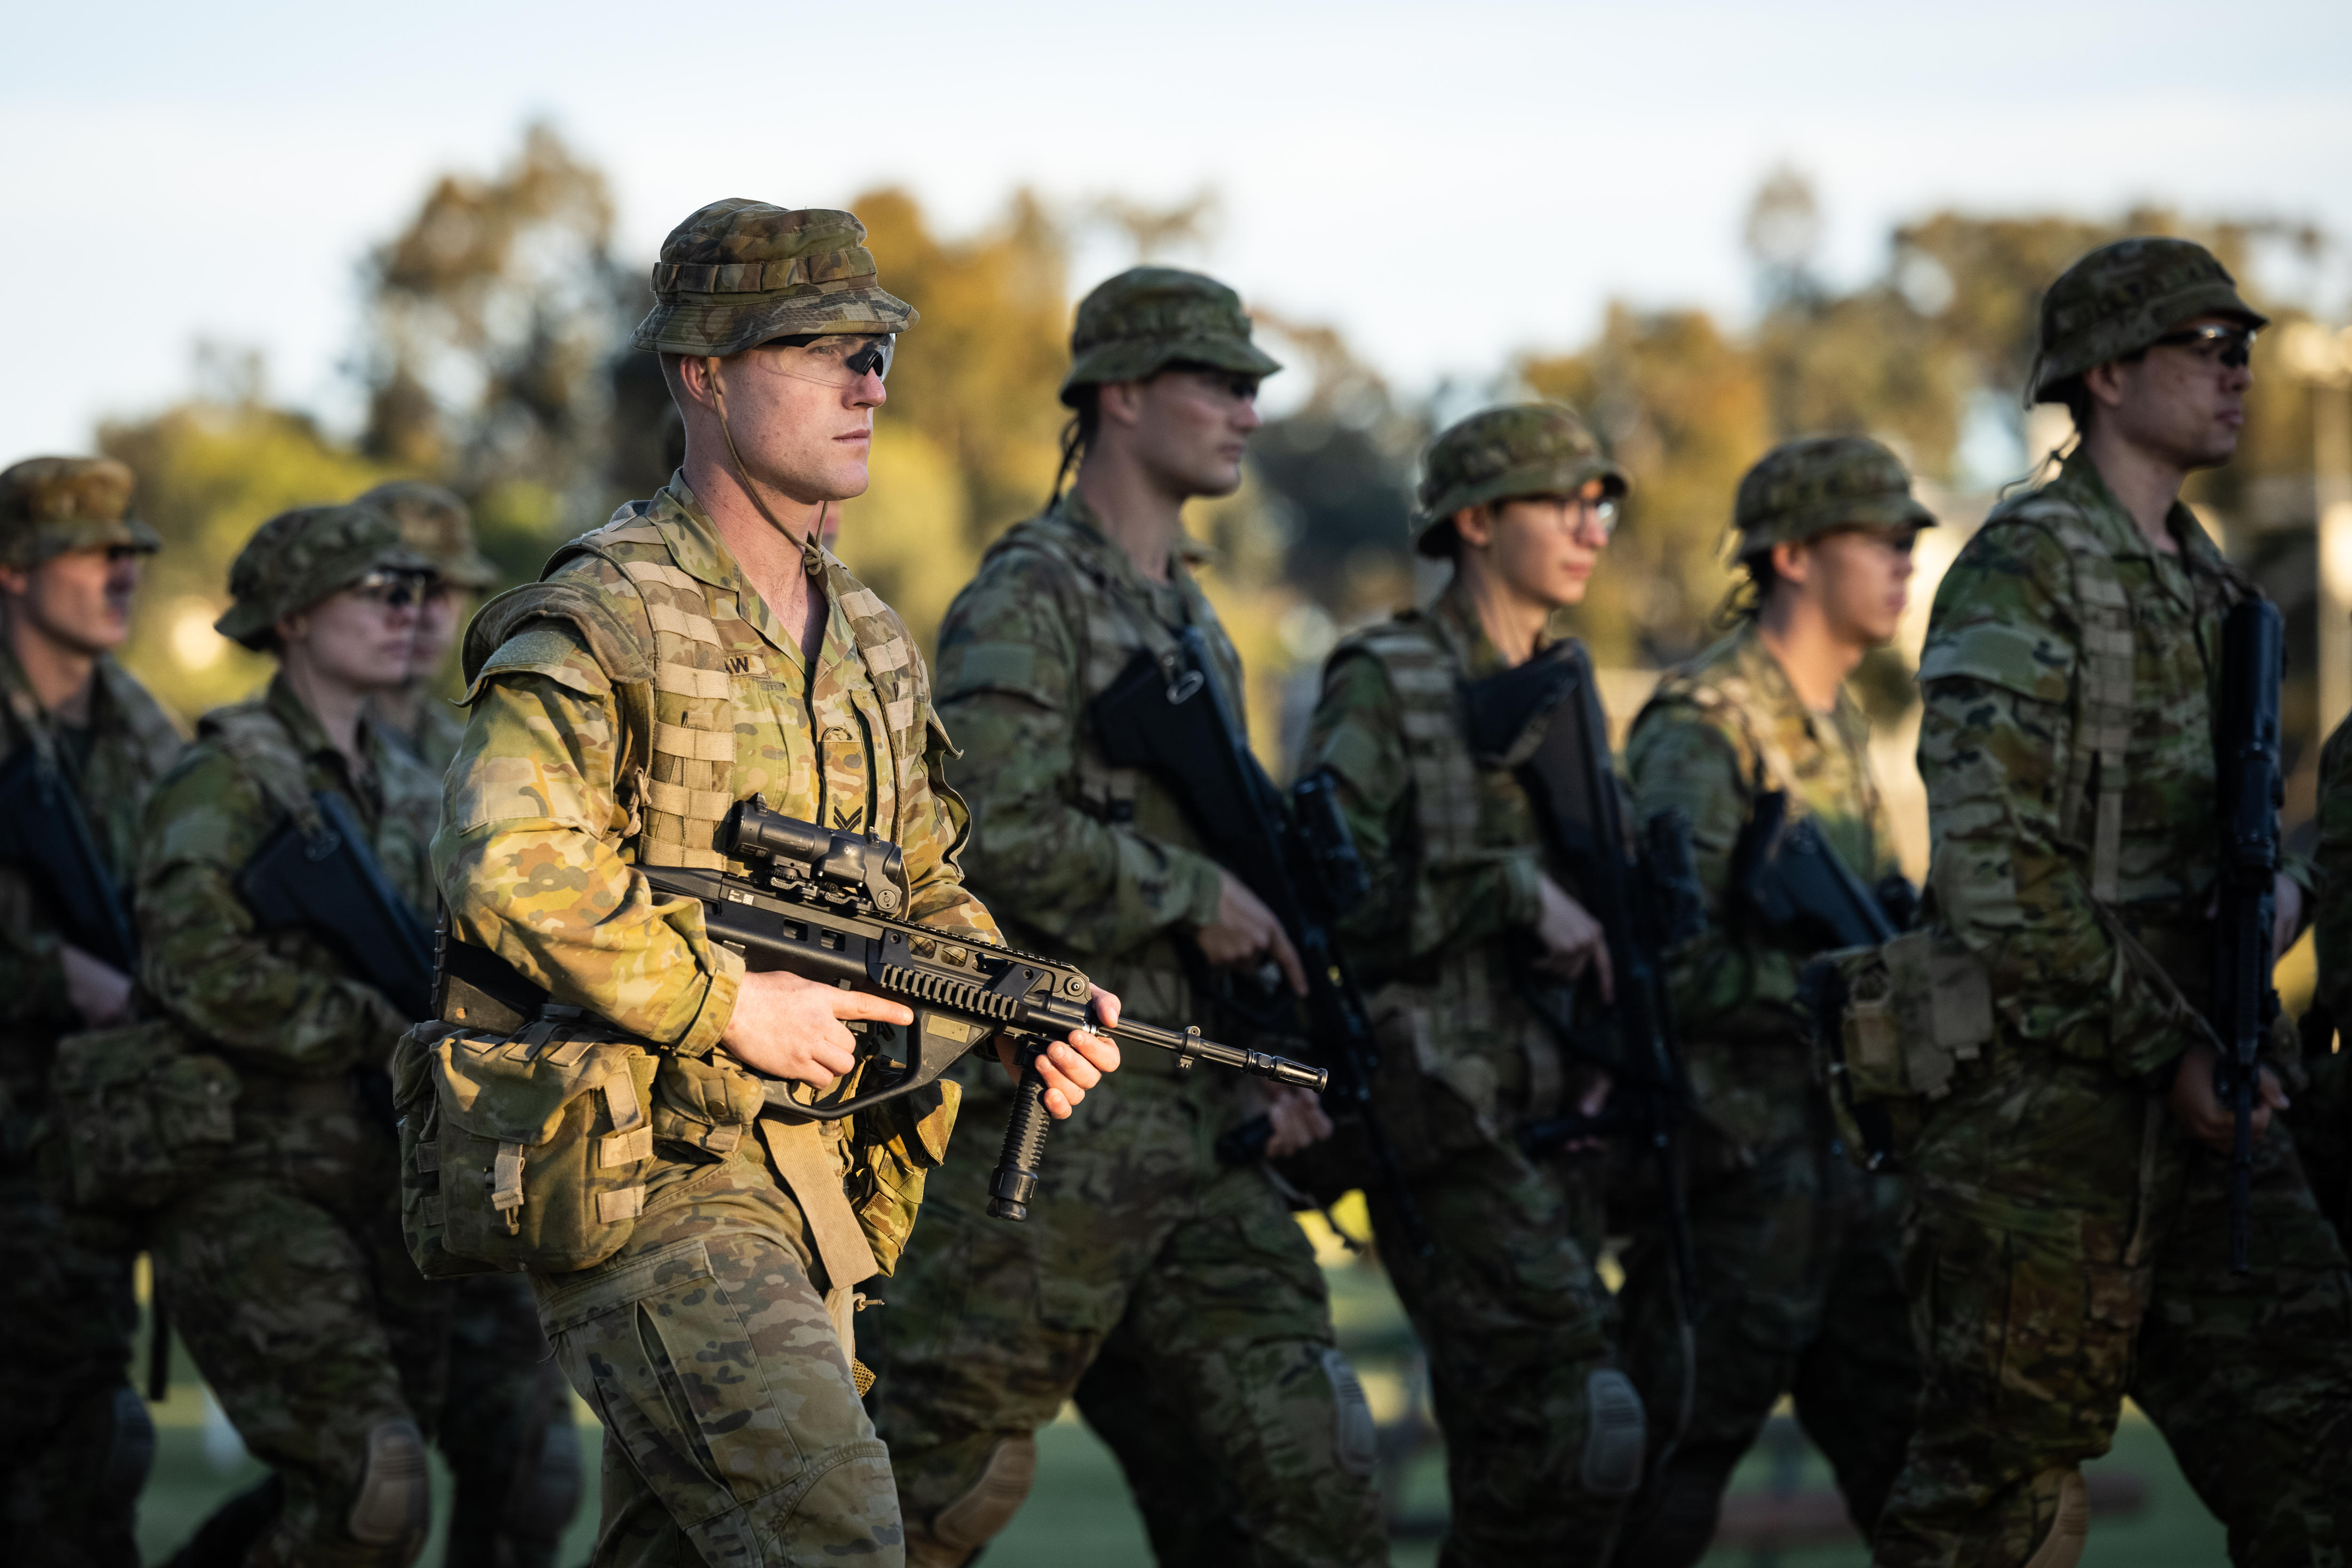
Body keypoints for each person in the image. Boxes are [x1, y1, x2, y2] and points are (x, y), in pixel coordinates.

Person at [431, 199, 1119, 1566]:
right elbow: (500, 858)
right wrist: (728, 1003)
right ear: (702, 373)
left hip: (815, 1187)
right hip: (645, 1170)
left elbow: (923, 892)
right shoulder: (606, 614)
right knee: (838, 1533)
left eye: (876, 350)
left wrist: (1013, 993)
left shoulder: (866, 636)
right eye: (819, 348)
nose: (868, 380)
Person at [867, 267, 1386, 1568]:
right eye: (1218, 381)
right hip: (1058, 1131)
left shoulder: (1196, 616)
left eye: (1253, 385)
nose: (1247, 411)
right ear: (1120, 394)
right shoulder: (1028, 594)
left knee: (1310, 1497)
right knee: (918, 1492)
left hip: (1204, 1132)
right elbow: (981, 828)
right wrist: (1185, 892)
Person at [1875, 236, 2352, 1567]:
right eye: (2207, 346)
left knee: (2324, 1449)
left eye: (2243, 346)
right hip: (2044, 1128)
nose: (2238, 370)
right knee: (1998, 1507)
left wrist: (2281, 909)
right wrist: (2174, 1043)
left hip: (2206, 1116)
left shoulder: (2214, 589)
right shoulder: (2030, 566)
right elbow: (1992, 870)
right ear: (2108, 373)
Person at [1298, 403, 1647, 1567]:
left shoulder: (1565, 690)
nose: (1589, 526)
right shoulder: (1386, 678)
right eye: (1562, 501)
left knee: (1543, 1481)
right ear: (1475, 520)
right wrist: (1501, 890)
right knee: (1575, 1415)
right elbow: (1328, 911)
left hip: (1565, 1128)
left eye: (1599, 503)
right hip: (1439, 1122)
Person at [1613, 436, 1927, 1565]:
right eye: (1881, 537)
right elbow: (1660, 968)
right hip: (1737, 1180)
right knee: (1656, 1494)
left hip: (1851, 1183)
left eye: (1910, 540)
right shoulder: (1704, 727)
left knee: (1928, 1486)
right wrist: (1851, 987)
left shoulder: (1835, 724)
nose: (1903, 560)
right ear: (1792, 554)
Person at [140, 503, 450, 1564]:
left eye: (414, 592)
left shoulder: (412, 787)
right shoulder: (223, 778)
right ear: (294, 618)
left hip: (381, 1188)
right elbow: (189, 964)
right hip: (250, 1180)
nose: (407, 613)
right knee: (375, 1486)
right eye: (379, 592)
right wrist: (362, 1024)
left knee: (350, 1501)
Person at [348, 478, 582, 1565]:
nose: (426, 614)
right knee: (361, 1489)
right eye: (401, 589)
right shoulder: (285, 770)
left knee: (534, 1473)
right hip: (346, 1160)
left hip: (483, 1146)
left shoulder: (487, 754)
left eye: (447, 591)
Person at [0, 456, 182, 1567]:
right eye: (94, 551)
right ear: (13, 573)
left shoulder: (144, 731)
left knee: (84, 1466)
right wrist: (52, 973)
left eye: (132, 553)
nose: (123, 571)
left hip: (78, 1160)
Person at [358, 480, 500, 775]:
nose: (432, 616)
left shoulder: (469, 757)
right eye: (410, 589)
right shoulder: (271, 750)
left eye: (452, 592)